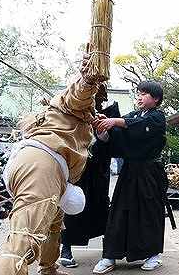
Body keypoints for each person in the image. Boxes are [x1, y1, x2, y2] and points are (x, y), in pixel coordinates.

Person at [0, 56, 102, 275]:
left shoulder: (67, 112)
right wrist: (88, 81)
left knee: (54, 222)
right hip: (41, 167)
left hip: (41, 164)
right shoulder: (72, 98)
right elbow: (79, 94)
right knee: (22, 241)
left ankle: (48, 268)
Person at [92, 81, 168, 274]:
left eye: (144, 94)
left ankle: (153, 255)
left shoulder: (157, 117)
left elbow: (138, 126)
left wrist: (114, 121)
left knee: (149, 213)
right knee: (118, 212)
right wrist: (103, 128)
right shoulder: (133, 115)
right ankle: (110, 255)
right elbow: (117, 135)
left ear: (156, 99)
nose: (139, 97)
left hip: (150, 172)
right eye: (138, 94)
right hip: (129, 172)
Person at [58, 87, 119, 269]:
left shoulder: (108, 115)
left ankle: (108, 250)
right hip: (77, 169)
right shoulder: (70, 112)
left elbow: (114, 143)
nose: (95, 99)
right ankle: (65, 248)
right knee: (71, 205)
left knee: (101, 207)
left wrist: (102, 132)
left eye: (98, 96)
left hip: (98, 170)